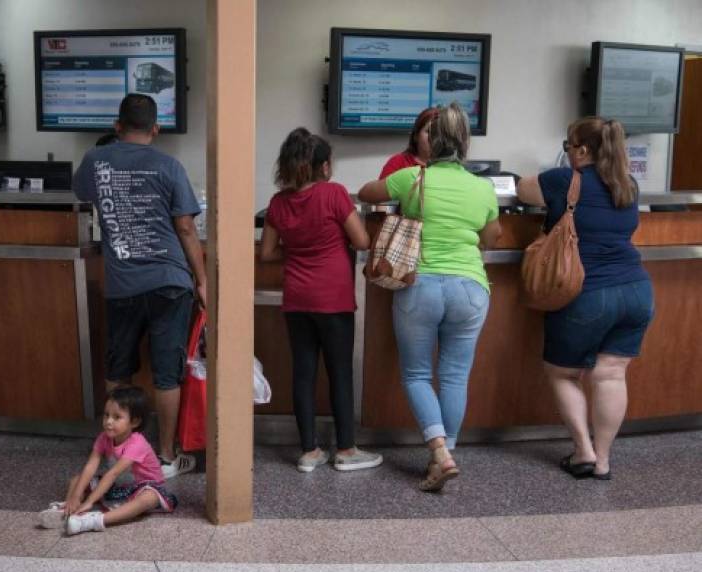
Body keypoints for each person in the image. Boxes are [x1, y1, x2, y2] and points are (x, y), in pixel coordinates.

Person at [359, 103, 501, 492]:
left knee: (417, 373)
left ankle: (440, 454)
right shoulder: (483, 188)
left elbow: (366, 193)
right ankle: (446, 454)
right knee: (456, 374)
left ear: (430, 142)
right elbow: (492, 237)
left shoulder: (411, 177)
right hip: (471, 288)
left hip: (420, 287)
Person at [73, 93, 205, 479]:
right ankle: (165, 457)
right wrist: (203, 280)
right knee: (167, 372)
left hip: (122, 283)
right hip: (169, 283)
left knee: (119, 369)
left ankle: (117, 451)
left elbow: (82, 194)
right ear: (156, 129)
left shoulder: (96, 160)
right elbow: (185, 227)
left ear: (117, 126)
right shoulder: (169, 165)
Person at [517, 117, 653, 481]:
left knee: (563, 373)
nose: (568, 153)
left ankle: (583, 451)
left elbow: (521, 191)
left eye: (568, 147)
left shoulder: (565, 180)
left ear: (581, 150)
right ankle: (604, 460)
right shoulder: (629, 185)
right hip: (637, 290)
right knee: (610, 374)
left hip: (586, 293)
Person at [260, 127, 382, 473]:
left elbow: (267, 253)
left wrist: (297, 247)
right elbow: (360, 241)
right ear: (324, 167)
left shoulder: (278, 203)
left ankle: (310, 452)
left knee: (303, 372)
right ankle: (345, 450)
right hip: (333, 298)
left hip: (297, 299)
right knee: (340, 372)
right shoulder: (334, 194)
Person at [37, 386, 177, 535]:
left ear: (134, 422)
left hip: (146, 487)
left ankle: (94, 520)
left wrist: (90, 501)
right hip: (121, 486)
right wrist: (76, 496)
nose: (108, 421)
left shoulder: (137, 443)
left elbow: (113, 473)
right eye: (106, 415)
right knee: (76, 480)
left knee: (149, 498)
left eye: (117, 417)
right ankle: (68, 510)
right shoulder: (104, 437)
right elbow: (90, 466)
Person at [378, 106, 439, 179]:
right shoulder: (398, 162)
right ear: (416, 135)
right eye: (429, 131)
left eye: (439, 132)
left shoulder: (450, 167)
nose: (434, 137)